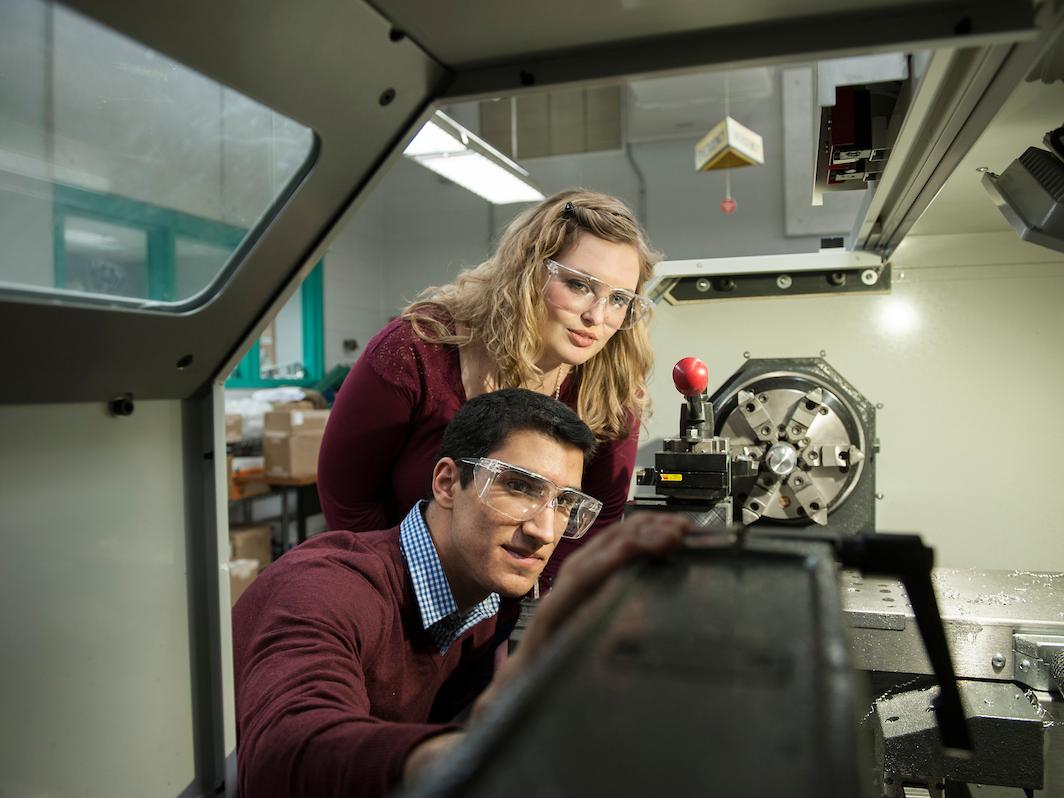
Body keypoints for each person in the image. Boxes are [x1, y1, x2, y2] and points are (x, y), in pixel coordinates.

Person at [234, 389, 690, 798]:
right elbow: (283, 751)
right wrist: (469, 754)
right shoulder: (328, 586)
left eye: (564, 503)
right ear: (448, 483)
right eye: (518, 487)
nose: (544, 531)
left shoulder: (485, 603)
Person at [317, 188, 660, 588]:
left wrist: (525, 611)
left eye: (619, 299)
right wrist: (406, 597)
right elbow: (348, 499)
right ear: (528, 270)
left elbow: (596, 517)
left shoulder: (612, 384)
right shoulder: (417, 350)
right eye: (579, 285)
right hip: (400, 591)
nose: (596, 317)